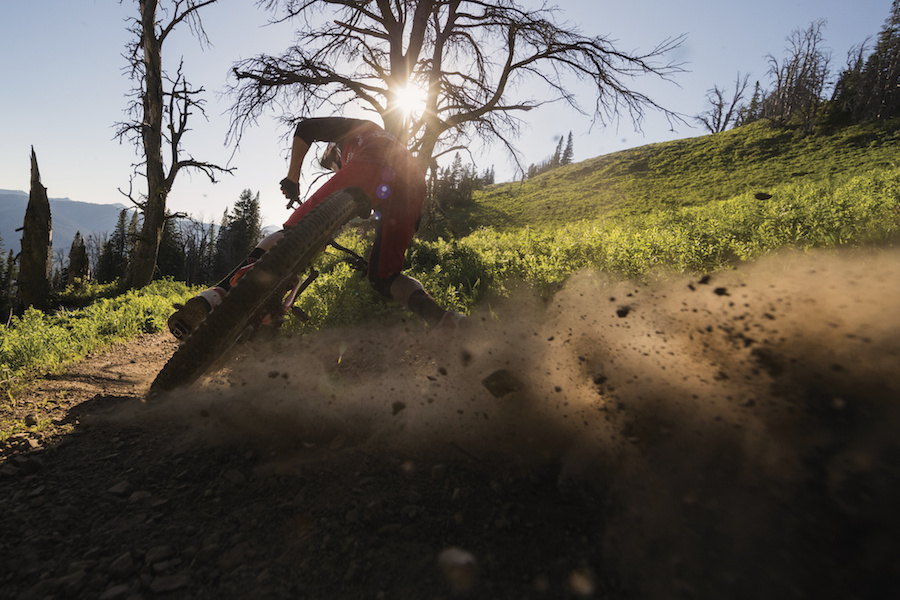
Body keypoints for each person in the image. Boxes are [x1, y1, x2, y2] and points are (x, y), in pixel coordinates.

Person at [168, 117, 464, 341]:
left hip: (374, 161)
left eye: (335, 165)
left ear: (336, 152)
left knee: (294, 230)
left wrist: (292, 177)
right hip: (414, 183)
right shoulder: (391, 144)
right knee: (384, 276)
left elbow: (306, 127)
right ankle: (445, 320)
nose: (337, 171)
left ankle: (218, 291)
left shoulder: (357, 130)